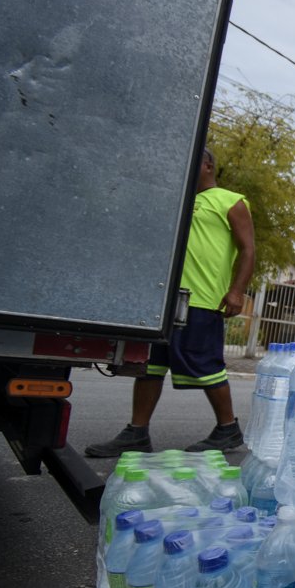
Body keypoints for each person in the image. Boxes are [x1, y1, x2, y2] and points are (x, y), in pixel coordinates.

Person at [86, 148, 256, 456]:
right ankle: (137, 432)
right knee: (149, 366)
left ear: (207, 165)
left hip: (201, 300)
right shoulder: (179, 202)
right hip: (162, 300)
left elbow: (248, 250)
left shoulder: (231, 200)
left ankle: (228, 429)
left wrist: (236, 291)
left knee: (206, 366)